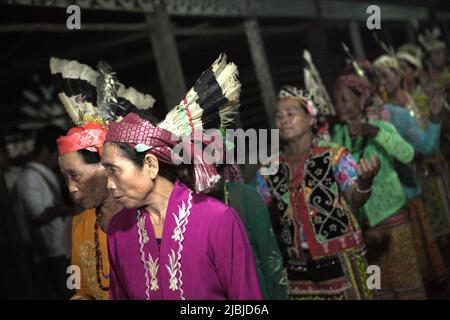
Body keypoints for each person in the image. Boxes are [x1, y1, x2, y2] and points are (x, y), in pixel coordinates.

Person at [103, 55, 262, 300]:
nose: (109, 184)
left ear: (150, 165)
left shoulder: (216, 220)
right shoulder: (118, 230)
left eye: (114, 170)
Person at [253, 85, 379, 300]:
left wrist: (365, 181)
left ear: (311, 118)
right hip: (298, 265)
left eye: (291, 114)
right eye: (279, 116)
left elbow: (355, 199)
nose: (283, 120)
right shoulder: (270, 167)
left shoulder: (334, 155)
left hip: (341, 258)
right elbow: (253, 208)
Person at [50, 57, 155, 299]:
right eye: (65, 178)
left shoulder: (151, 216)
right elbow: (82, 289)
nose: (71, 189)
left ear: (106, 167)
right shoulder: (79, 226)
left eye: (75, 175)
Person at [332, 75, 429, 299]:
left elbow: (408, 154)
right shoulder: (338, 139)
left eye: (345, 99)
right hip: (365, 228)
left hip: (394, 220)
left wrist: (374, 132)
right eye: (336, 101)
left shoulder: (381, 128)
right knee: (378, 286)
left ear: (363, 97)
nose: (340, 106)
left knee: (407, 282)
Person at [16, 125, 72, 299]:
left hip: (61, 249)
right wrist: (65, 207)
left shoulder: (41, 174)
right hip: (53, 253)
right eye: (59, 153)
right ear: (48, 150)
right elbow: (38, 215)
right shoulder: (30, 177)